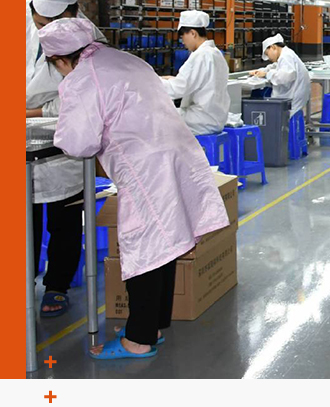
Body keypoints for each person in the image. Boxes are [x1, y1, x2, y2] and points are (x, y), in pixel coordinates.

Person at [42, 18, 230, 360]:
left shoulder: (82, 78)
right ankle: (152, 325)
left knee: (145, 250)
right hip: (176, 154)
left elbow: (78, 143)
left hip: (146, 168)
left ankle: (139, 339)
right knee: (167, 241)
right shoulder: (124, 59)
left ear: (59, 59)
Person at [25, 0, 104, 318]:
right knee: (21, 222)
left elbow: (83, 97)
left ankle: (56, 286)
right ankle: (23, 282)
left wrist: (33, 111)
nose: (46, 28)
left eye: (54, 21)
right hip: (22, 143)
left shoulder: (91, 40)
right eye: (40, 20)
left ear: (74, 10)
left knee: (65, 220)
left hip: (64, 145)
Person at [160, 10, 230, 135]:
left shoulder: (200, 56)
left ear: (193, 33)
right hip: (215, 117)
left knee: (158, 117)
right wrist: (170, 79)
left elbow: (178, 89)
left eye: (183, 37)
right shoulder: (215, 53)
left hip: (201, 121)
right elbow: (199, 81)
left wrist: (152, 82)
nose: (183, 42)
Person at [250, 34, 312, 119]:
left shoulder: (286, 56)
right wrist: (264, 71)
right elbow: (276, 66)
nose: (269, 58)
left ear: (273, 47)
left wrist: (267, 74)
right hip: (295, 94)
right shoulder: (285, 54)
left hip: (293, 98)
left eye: (267, 54)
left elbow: (285, 77)